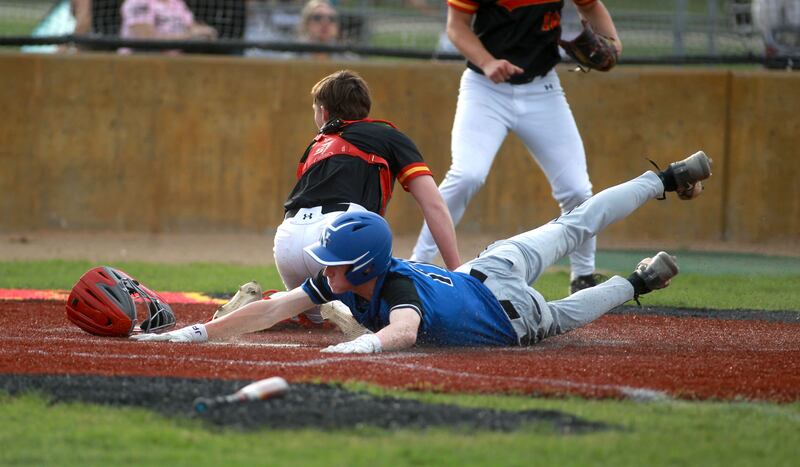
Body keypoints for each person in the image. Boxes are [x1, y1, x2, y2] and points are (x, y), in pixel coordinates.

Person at [131, 150, 712, 351]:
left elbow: (404, 331)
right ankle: (664, 181)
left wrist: (350, 353)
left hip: (514, 315)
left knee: (563, 314)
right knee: (574, 222)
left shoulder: (392, 287)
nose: (322, 268)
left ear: (358, 266)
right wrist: (193, 333)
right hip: (492, 267)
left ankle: (637, 281)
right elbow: (273, 307)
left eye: (333, 260)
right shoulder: (349, 279)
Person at [214, 70, 460, 326]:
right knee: (389, 307)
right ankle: (347, 309)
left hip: (288, 241)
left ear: (325, 113)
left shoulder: (316, 144)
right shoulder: (388, 136)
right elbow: (434, 205)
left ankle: (278, 304)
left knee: (312, 314)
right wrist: (457, 271)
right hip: (338, 237)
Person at [410, 0, 622, 294]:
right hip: (485, 88)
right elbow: (456, 27)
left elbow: (591, 6)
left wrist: (612, 39)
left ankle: (583, 275)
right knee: (467, 174)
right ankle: (416, 265)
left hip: (543, 90)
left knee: (577, 189)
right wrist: (487, 61)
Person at [119, 0, 218, 53]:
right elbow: (146, 38)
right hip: (138, 61)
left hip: (172, 61)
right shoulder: (137, 2)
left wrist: (206, 31)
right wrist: (189, 36)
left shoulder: (176, 2)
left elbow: (192, 26)